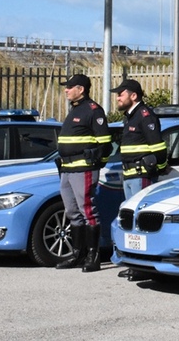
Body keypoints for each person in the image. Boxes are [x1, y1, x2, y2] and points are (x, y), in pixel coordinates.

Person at [55, 73, 113, 272]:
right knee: (72, 212)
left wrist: (96, 164)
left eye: (70, 87)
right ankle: (77, 254)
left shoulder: (93, 110)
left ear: (81, 89)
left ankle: (93, 256)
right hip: (67, 169)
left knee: (87, 211)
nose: (66, 90)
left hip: (83, 168)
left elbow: (105, 144)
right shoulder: (75, 109)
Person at [110, 79, 166, 200]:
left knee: (140, 210)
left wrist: (161, 168)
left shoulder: (145, 116)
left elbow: (158, 147)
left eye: (121, 95)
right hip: (129, 175)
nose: (118, 98)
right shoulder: (130, 117)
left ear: (133, 96)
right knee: (131, 210)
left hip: (141, 175)